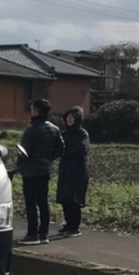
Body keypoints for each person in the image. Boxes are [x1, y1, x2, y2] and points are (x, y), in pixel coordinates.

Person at [15, 97, 64, 244]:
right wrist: (49, 159)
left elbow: (23, 152)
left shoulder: (31, 130)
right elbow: (61, 149)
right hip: (44, 170)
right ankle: (44, 234)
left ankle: (32, 234)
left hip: (30, 171)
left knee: (30, 202)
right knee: (43, 202)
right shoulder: (55, 129)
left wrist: (19, 168)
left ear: (35, 110)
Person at [56, 107, 90, 236]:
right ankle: (68, 223)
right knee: (64, 197)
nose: (69, 120)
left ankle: (75, 226)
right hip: (65, 169)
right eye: (68, 117)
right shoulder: (64, 134)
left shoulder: (82, 134)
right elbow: (58, 148)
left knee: (74, 198)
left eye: (72, 117)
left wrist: (66, 152)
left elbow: (82, 149)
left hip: (78, 170)